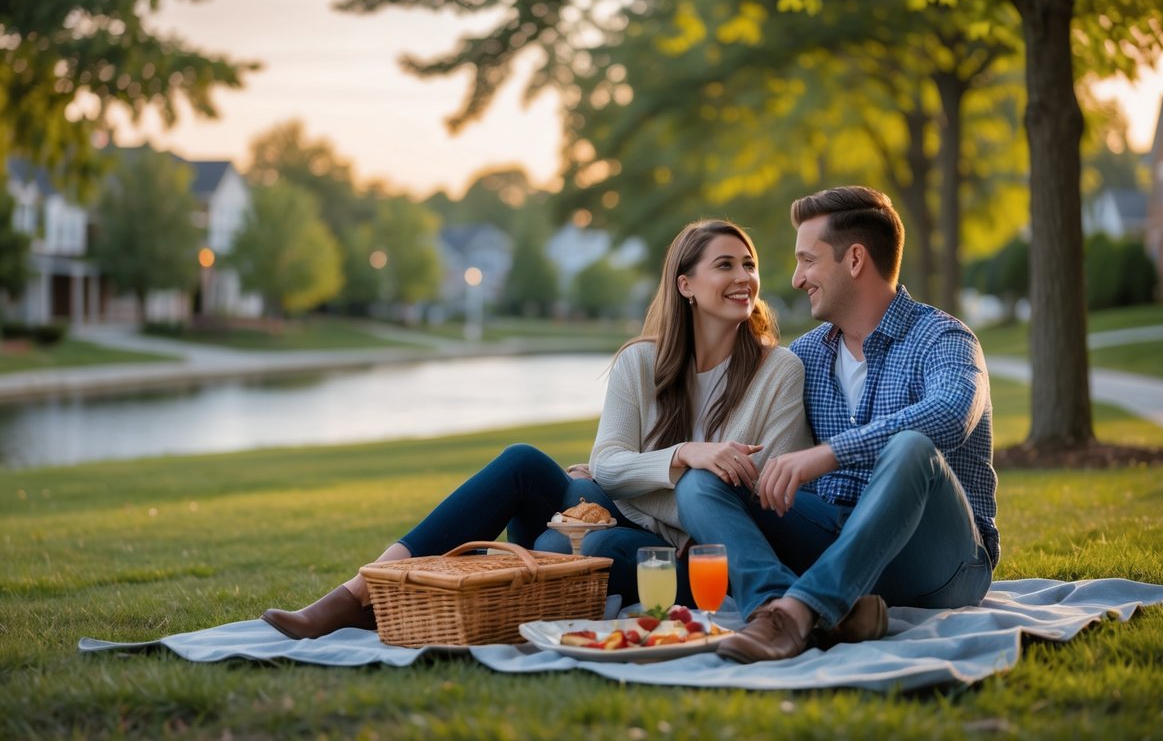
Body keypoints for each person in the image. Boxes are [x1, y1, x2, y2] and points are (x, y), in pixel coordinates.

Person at [261, 219, 810, 639]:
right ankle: (361, 592)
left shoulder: (778, 370)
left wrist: (632, 476)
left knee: (557, 541)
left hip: (696, 552)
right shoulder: (640, 363)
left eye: (749, 264)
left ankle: (465, 583)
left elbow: (765, 492)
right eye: (726, 266)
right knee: (522, 461)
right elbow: (611, 461)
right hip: (618, 507)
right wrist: (682, 454)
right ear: (686, 285)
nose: (744, 279)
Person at [676, 186, 998, 663]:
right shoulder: (805, 355)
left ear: (854, 260)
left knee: (911, 447)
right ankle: (776, 611)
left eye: (808, 260)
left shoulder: (944, 339)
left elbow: (950, 414)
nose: (796, 277)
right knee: (703, 480)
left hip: (942, 561)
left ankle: (802, 610)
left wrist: (831, 453)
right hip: (837, 540)